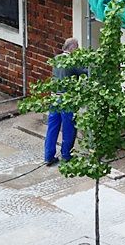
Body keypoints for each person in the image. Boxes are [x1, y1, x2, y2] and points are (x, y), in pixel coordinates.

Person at [44, 38, 87, 166]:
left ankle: (48, 156)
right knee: (68, 128)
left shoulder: (56, 59)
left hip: (54, 98)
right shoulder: (72, 61)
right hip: (66, 100)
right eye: (77, 47)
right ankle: (66, 155)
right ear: (72, 48)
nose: (78, 49)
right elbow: (85, 73)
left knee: (52, 128)